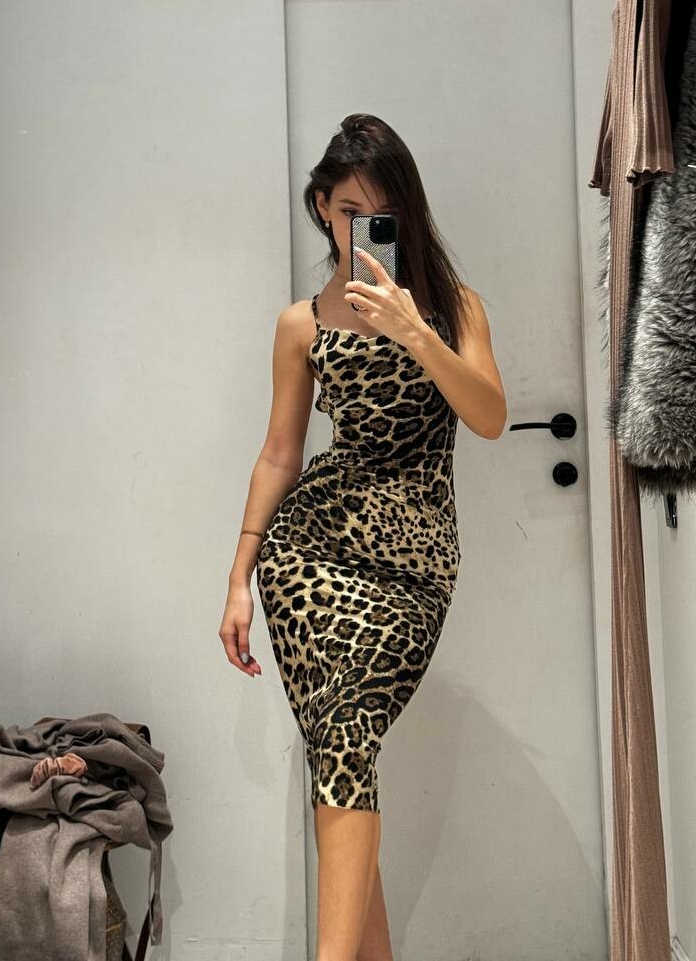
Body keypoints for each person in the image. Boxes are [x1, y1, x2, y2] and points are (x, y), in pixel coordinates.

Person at [219, 113, 506, 961]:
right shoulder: (301, 325)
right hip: (310, 554)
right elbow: (280, 453)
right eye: (348, 211)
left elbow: (489, 416)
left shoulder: (453, 308)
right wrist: (238, 578)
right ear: (321, 206)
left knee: (344, 738)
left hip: (415, 564)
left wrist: (415, 331)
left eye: (382, 213)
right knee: (343, 744)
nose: (362, 227)